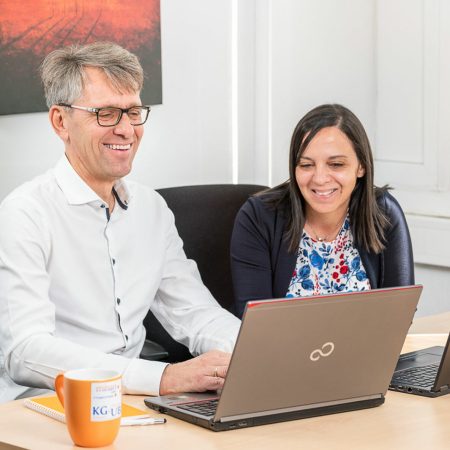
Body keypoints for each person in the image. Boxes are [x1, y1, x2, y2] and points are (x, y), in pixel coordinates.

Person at [0, 42, 241, 403]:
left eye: (132, 112)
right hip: (45, 406)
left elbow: (195, 313)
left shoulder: (151, 210)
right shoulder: (25, 213)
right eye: (107, 114)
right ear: (60, 122)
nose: (127, 129)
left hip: (130, 405)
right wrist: (164, 377)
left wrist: (254, 356)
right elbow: (26, 351)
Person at [231, 104, 414, 318]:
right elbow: (255, 323)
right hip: (282, 351)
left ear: (361, 166)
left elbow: (400, 314)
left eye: (336, 164)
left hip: (366, 350)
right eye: (306, 165)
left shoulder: (383, 213)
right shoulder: (258, 217)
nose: (319, 178)